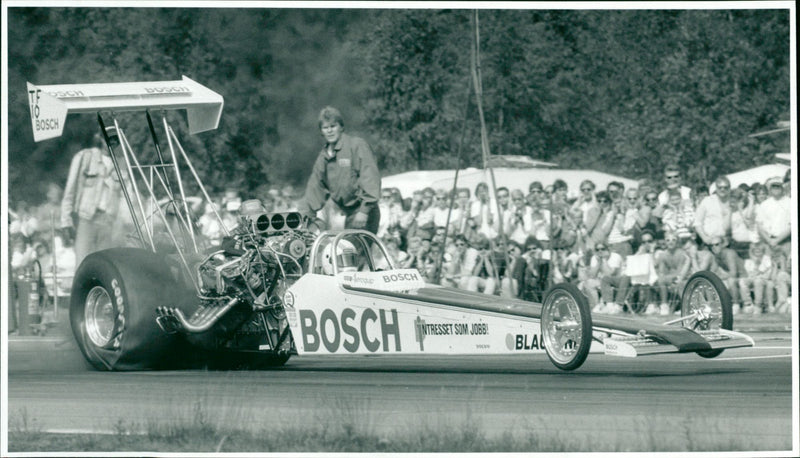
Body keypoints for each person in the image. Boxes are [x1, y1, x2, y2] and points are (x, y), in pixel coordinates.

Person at [299, 106, 381, 234]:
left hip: (363, 211)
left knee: (354, 251)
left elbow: (370, 178)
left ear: (341, 127)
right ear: (321, 131)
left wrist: (364, 211)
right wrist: (304, 217)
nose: (329, 131)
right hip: (348, 213)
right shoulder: (324, 157)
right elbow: (315, 188)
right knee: (343, 251)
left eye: (333, 126)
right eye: (325, 128)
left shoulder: (356, 145)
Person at [60, 128, 126, 266]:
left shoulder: (122, 164)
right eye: (108, 138)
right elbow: (70, 189)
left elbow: (125, 198)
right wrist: (66, 221)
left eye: (116, 139)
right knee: (83, 265)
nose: (112, 142)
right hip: (86, 220)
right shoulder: (85, 157)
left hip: (108, 223)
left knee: (105, 267)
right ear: (100, 138)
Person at [653, 232, 691, 315]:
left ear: (677, 242)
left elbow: (680, 273)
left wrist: (667, 277)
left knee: (678, 282)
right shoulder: (663, 255)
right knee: (660, 280)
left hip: (684, 277)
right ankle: (664, 305)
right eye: (668, 240)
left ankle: (685, 307)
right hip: (670, 278)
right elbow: (661, 272)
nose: (671, 242)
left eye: (673, 240)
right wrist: (664, 277)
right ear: (665, 242)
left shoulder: (681, 253)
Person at [755, 176, 791, 258]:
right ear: (770, 189)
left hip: (786, 242)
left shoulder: (790, 203)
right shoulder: (764, 204)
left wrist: (777, 240)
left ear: (782, 188)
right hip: (768, 242)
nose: (776, 188)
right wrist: (770, 240)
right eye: (773, 186)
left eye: (778, 186)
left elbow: (792, 225)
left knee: (787, 266)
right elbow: (759, 225)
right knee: (768, 267)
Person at [693, 176, 732, 247]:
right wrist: (704, 238)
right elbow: (697, 223)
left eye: (725, 187)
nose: (722, 189)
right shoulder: (707, 201)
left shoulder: (732, 202)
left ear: (729, 188)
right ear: (716, 188)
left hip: (728, 242)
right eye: (720, 187)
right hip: (709, 241)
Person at [738, 242, 772, 315]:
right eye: (755, 250)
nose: (757, 251)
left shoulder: (767, 259)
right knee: (742, 281)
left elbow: (761, 271)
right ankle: (748, 304)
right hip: (752, 278)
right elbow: (748, 273)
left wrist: (757, 263)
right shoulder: (748, 261)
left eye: (759, 250)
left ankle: (758, 305)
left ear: (763, 250)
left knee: (758, 281)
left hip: (764, 279)